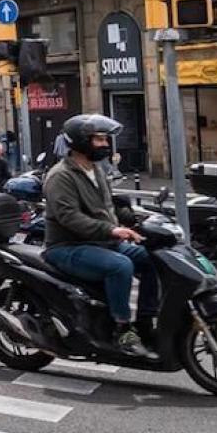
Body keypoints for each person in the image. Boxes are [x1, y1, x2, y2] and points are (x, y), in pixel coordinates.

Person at [40, 113, 158, 358]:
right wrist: (112, 230)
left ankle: (145, 321)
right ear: (81, 142)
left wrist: (134, 218)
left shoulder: (96, 170)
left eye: (106, 139)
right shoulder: (60, 176)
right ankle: (122, 328)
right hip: (66, 247)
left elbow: (107, 206)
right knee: (120, 266)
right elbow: (69, 217)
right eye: (99, 139)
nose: (105, 144)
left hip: (99, 242)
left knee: (153, 258)